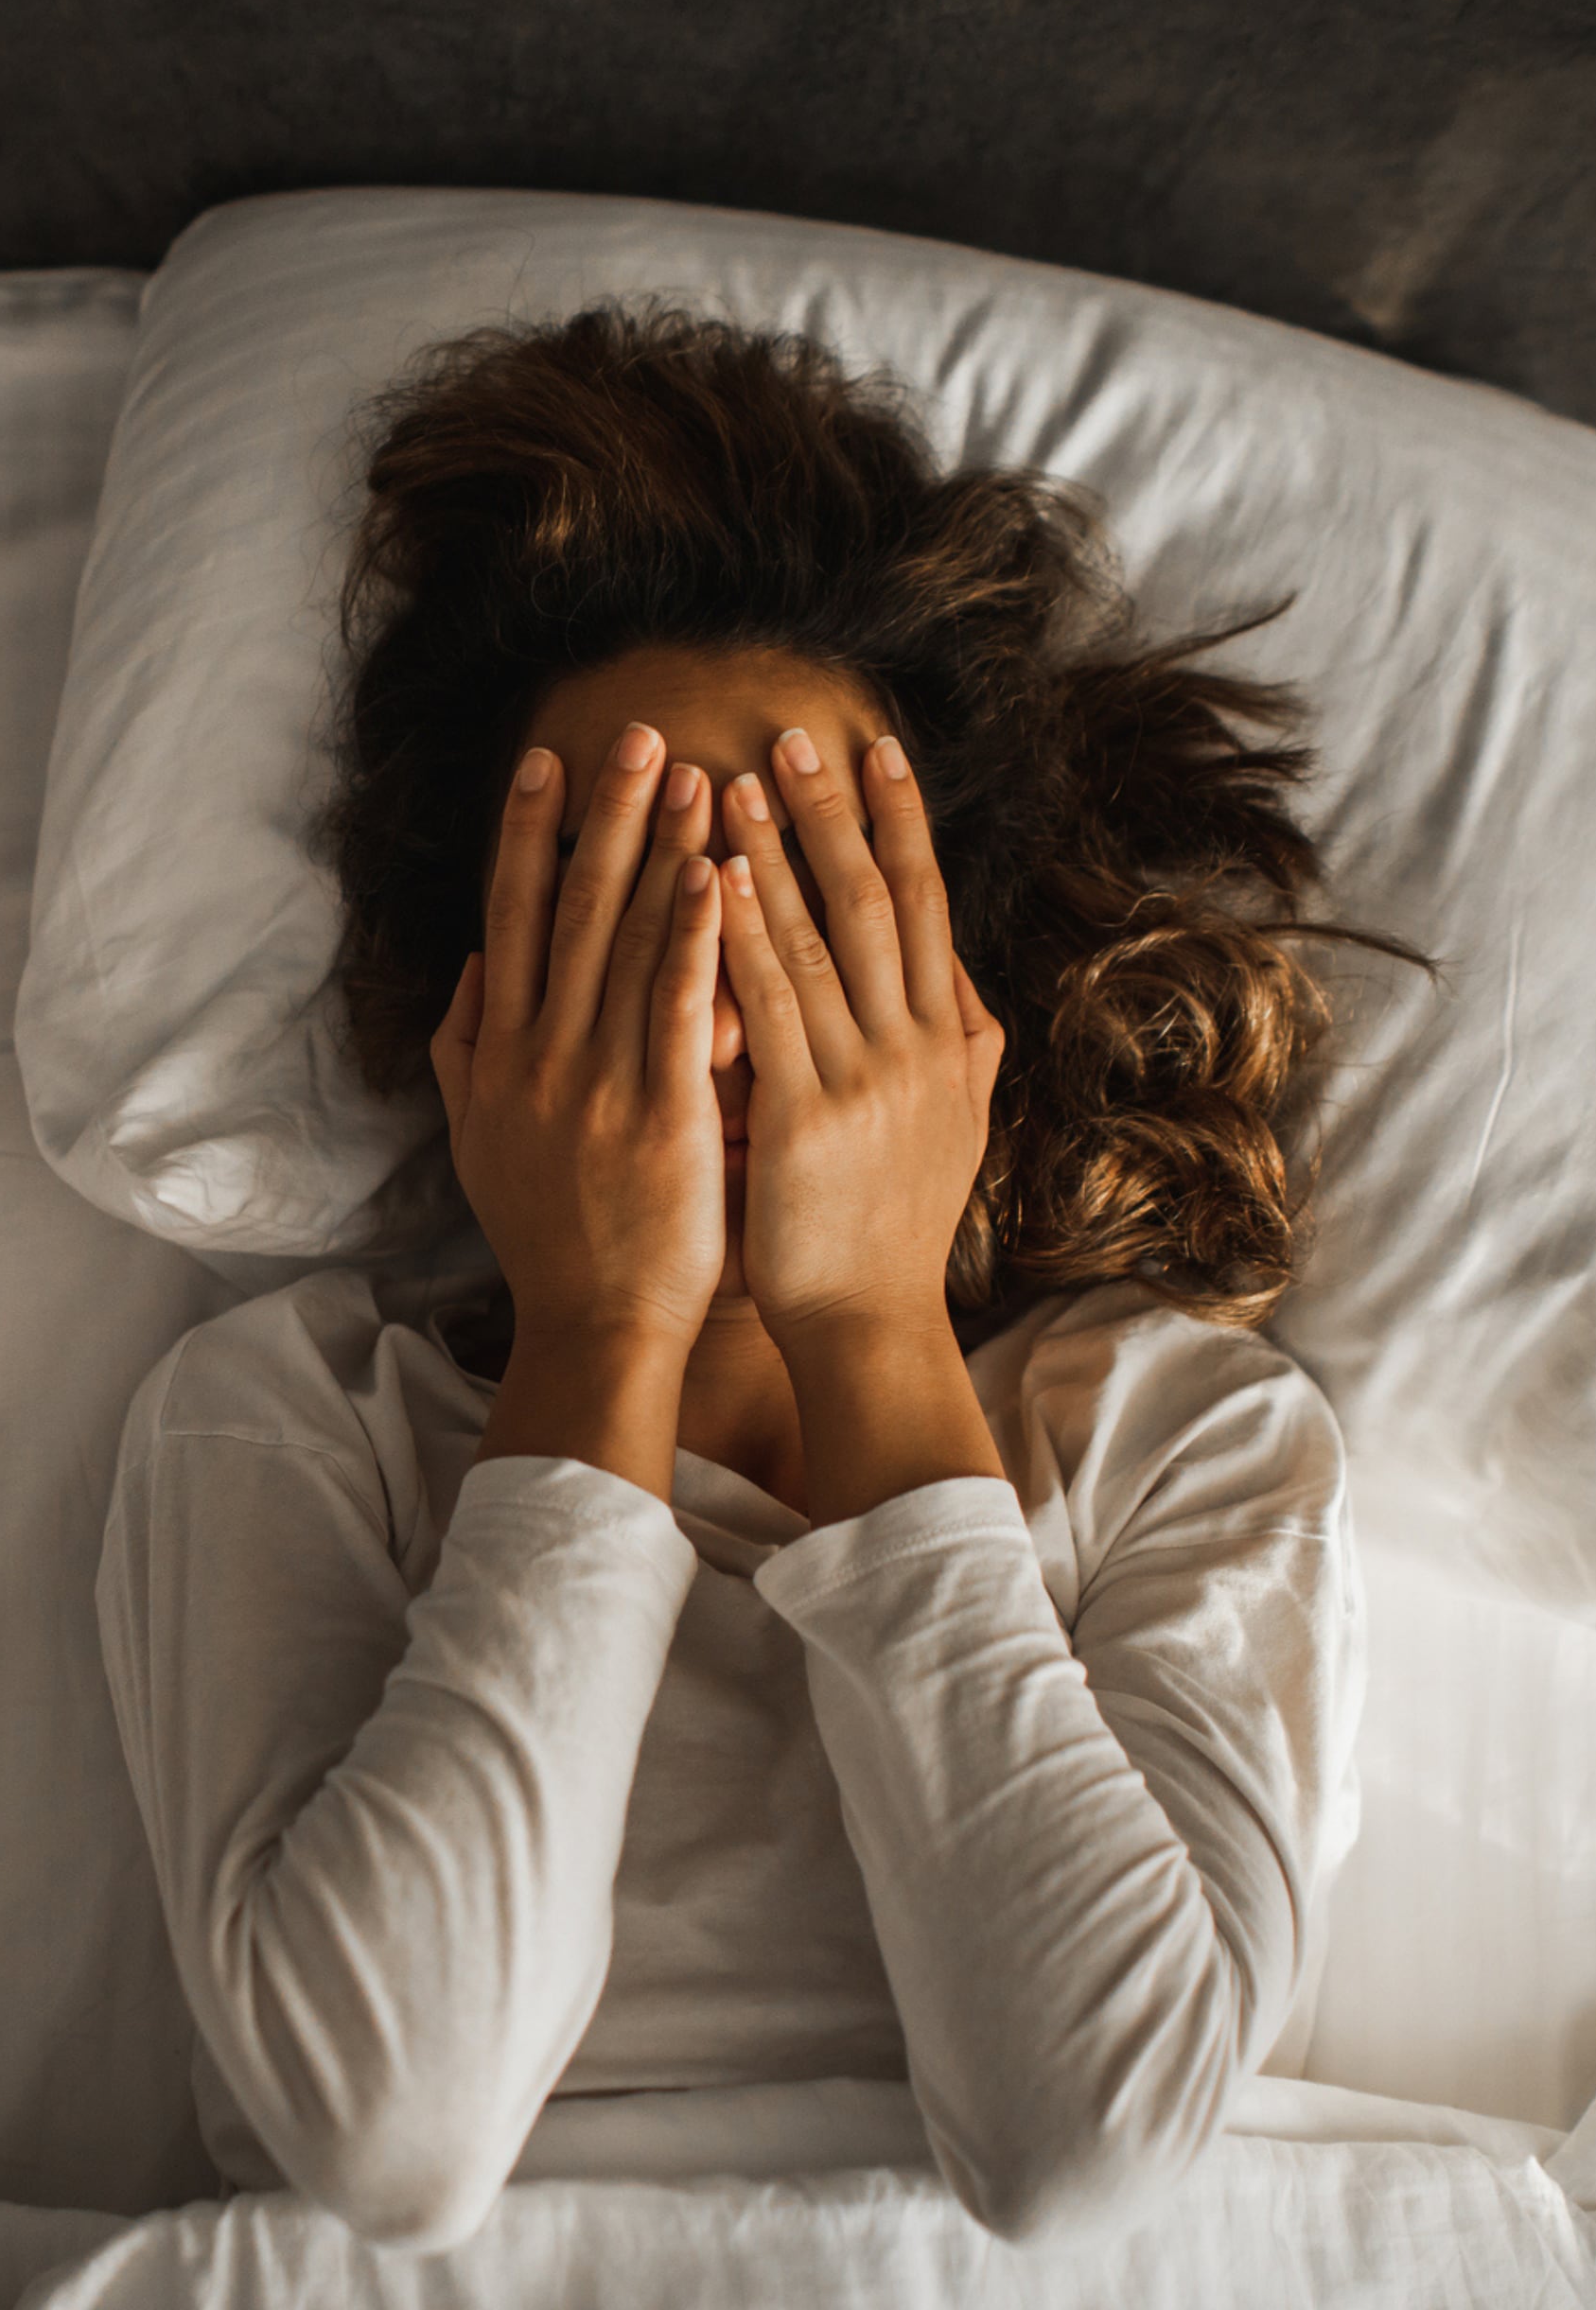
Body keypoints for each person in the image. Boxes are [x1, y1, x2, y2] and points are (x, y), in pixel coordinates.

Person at [94, 304, 1439, 2254]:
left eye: (809, 909)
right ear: (469, 999)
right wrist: (597, 1333)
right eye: (618, 907)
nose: (720, 1015)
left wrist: (868, 1327)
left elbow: (1086, 2145)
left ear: (951, 995)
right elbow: (392, 2132)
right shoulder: (292, 1415)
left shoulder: (1171, 1430)